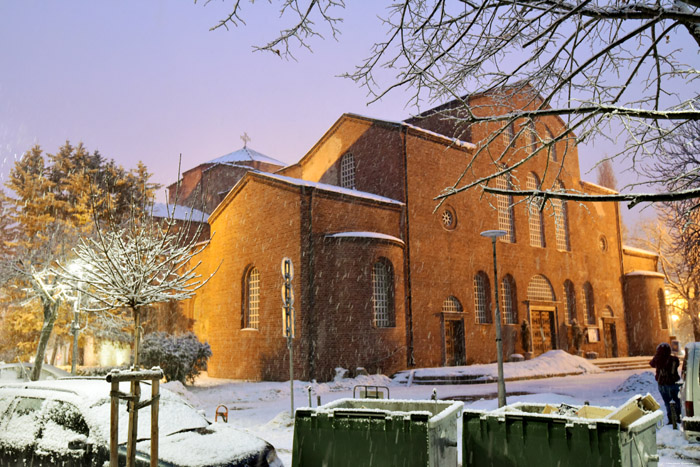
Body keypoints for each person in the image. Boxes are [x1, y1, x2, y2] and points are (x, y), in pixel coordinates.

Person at [650, 342, 682, 424]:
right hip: (674, 383)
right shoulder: (674, 359)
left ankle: (671, 419)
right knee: (677, 401)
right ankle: (678, 417)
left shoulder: (658, 360)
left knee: (668, 402)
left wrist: (658, 355)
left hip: (663, 384)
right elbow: (677, 364)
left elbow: (652, 364)